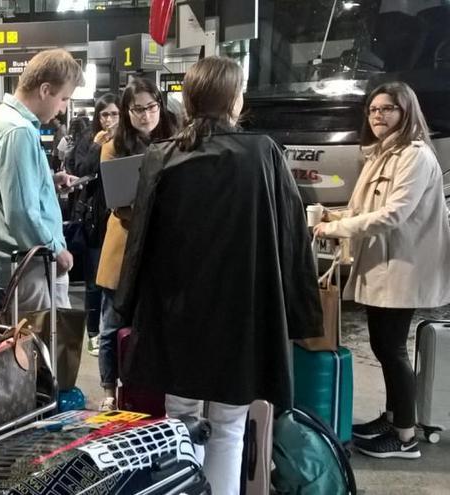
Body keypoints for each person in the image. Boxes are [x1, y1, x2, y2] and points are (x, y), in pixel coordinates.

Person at [114, 57, 321, 495]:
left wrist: (126, 306)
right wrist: (299, 312)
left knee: (178, 421)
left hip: (177, 311)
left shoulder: (162, 155)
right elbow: (291, 237)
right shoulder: (263, 152)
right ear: (234, 99)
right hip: (242, 310)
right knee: (229, 426)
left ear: (188, 100)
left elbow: (140, 243)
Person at [314, 81, 450, 459]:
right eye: (373, 110)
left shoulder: (415, 156)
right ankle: (392, 417)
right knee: (383, 345)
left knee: (392, 348)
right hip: (382, 264)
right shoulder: (382, 154)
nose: (378, 116)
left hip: (403, 265)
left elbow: (394, 214)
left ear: (406, 112)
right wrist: (333, 217)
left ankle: (405, 437)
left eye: (387, 109)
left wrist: (335, 228)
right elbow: (363, 210)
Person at [0, 48, 83, 311]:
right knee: (40, 348)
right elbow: (21, 211)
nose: (62, 109)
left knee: (30, 345)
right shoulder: (18, 131)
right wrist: (55, 251)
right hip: (34, 265)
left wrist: (47, 180)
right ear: (45, 90)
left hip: (23, 265)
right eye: (64, 99)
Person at [94, 78, 178, 409]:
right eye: (137, 109)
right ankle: (107, 390)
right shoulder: (114, 146)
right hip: (124, 245)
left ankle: (144, 386)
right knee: (112, 321)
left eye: (151, 107)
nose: (145, 115)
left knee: (150, 323)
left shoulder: (174, 142)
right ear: (127, 112)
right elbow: (119, 204)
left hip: (159, 248)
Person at [72, 93, 119, 357]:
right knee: (94, 280)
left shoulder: (127, 141)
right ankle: (93, 333)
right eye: (104, 115)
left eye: (114, 114)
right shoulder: (90, 141)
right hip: (94, 218)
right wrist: (97, 147)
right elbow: (80, 170)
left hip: (119, 215)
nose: (109, 120)